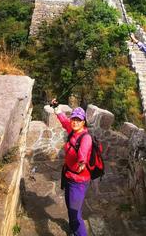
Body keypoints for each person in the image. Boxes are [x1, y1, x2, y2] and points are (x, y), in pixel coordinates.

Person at [52, 99, 92, 236]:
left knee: (75, 213)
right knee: (70, 207)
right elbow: (64, 121)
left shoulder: (85, 137)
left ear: (84, 122)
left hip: (79, 181)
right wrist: (56, 108)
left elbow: (84, 151)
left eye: (78, 120)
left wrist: (82, 162)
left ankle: (79, 232)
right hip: (69, 176)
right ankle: (73, 229)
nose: (75, 122)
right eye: (73, 119)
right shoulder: (72, 130)